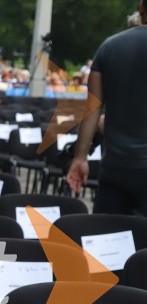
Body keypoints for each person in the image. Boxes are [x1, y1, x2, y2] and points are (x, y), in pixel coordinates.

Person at [67, 0, 147, 216]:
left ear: (141, 7)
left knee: (108, 239)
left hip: (115, 168)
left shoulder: (109, 46)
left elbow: (92, 108)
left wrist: (80, 158)